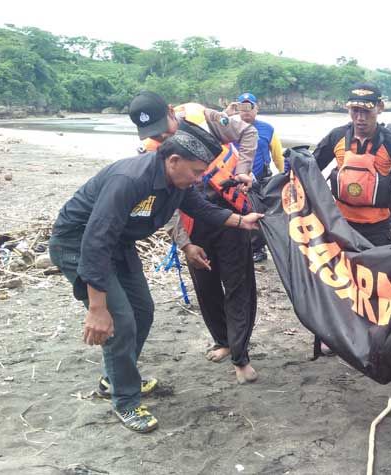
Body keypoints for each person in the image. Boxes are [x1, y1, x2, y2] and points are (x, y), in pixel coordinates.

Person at [48, 126, 263, 433]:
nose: (200, 178)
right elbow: (95, 241)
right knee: (120, 320)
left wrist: (241, 221)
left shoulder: (176, 182)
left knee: (143, 312)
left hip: (118, 245)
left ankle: (116, 377)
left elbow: (200, 207)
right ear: (173, 160)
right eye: (197, 171)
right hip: (78, 245)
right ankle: (125, 400)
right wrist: (97, 307)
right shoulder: (131, 180)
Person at [129, 91, 261, 385]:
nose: (161, 135)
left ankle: (241, 356)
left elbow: (248, 132)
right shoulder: (150, 151)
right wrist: (184, 243)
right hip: (193, 223)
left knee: (239, 285)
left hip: (229, 213)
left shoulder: (202, 118)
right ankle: (223, 340)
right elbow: (166, 204)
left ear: (170, 111)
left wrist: (243, 171)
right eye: (153, 133)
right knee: (206, 286)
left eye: (163, 127)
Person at [313, 82, 391, 246]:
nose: (360, 118)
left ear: (380, 107)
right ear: (348, 109)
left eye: (366, 111)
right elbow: (311, 168)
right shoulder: (336, 136)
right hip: (340, 224)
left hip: (378, 229)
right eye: (355, 111)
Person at [225, 92, 284, 262]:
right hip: (236, 180)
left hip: (261, 180)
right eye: (241, 107)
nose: (245, 112)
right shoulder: (229, 127)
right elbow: (210, 134)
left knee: (259, 213)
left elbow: (277, 155)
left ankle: (259, 249)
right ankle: (240, 247)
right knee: (236, 213)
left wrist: (284, 175)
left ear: (256, 108)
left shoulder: (267, 129)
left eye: (249, 107)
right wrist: (226, 113)